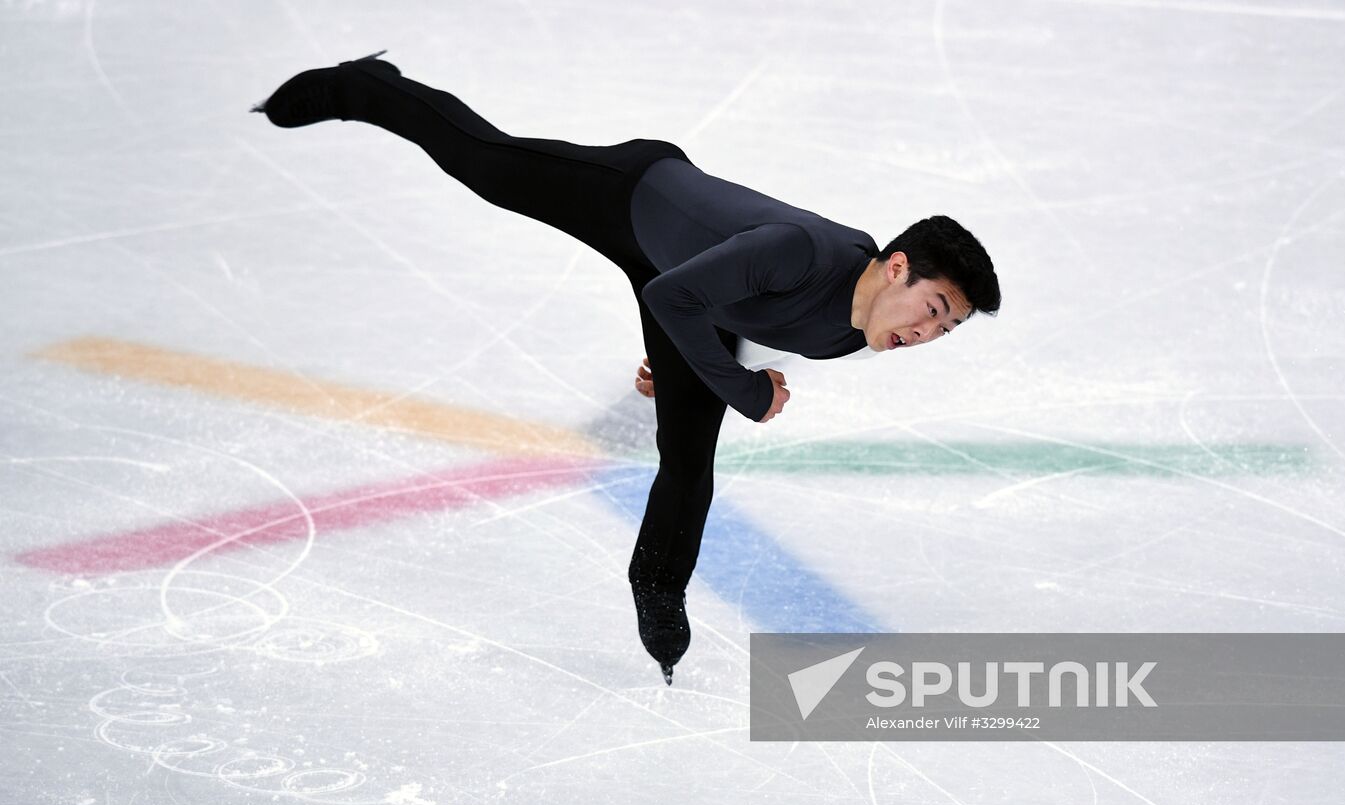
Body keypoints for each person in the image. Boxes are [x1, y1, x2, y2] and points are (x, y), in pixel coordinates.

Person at [252, 50, 1001, 685]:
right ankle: (366, 85)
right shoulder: (800, 250)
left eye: (948, 327)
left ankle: (657, 590)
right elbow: (671, 292)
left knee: (688, 464)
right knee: (483, 161)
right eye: (933, 307)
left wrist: (685, 363)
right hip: (630, 196)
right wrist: (735, 384)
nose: (929, 333)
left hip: (695, 297)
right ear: (895, 267)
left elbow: (743, 316)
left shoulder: (858, 333)